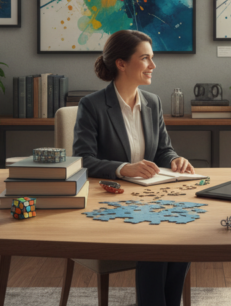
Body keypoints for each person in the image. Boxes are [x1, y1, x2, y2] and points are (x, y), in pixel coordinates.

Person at [73, 29, 194, 306]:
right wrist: (124, 168)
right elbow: (82, 160)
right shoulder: (91, 106)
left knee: (181, 236)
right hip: (109, 205)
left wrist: (175, 159)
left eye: (152, 58)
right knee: (157, 240)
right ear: (121, 63)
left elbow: (163, 150)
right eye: (145, 58)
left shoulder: (153, 102)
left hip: (150, 200)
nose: (153, 65)